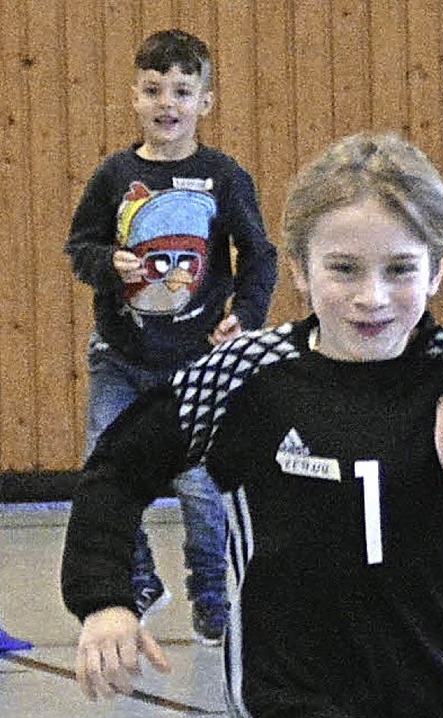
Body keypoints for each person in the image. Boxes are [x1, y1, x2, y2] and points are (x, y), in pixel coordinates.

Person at [62, 132, 443, 718]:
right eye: (344, 268)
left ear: (437, 268)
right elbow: (117, 469)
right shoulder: (245, 376)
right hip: (298, 701)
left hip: (432, 699)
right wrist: (106, 599)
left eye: (400, 269)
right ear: (300, 269)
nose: (371, 297)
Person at [65, 29, 278, 645]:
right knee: (103, 464)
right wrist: (109, 262)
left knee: (201, 488)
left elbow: (258, 255)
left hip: (195, 366)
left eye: (182, 91)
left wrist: (249, 313)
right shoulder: (115, 176)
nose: (168, 103)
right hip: (120, 357)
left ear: (204, 104)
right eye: (154, 90)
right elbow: (79, 248)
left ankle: (211, 593)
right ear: (134, 98)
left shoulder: (223, 177)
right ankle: (137, 577)